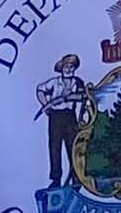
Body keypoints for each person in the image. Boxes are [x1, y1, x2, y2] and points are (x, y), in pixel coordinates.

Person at [35, 53, 91, 191]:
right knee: (55, 148)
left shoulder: (77, 82)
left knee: (73, 147)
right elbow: (40, 89)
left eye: (72, 66)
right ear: (62, 67)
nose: (69, 69)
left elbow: (83, 96)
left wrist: (69, 98)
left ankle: (76, 178)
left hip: (69, 116)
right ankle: (56, 179)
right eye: (67, 66)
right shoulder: (54, 82)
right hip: (55, 117)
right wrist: (46, 106)